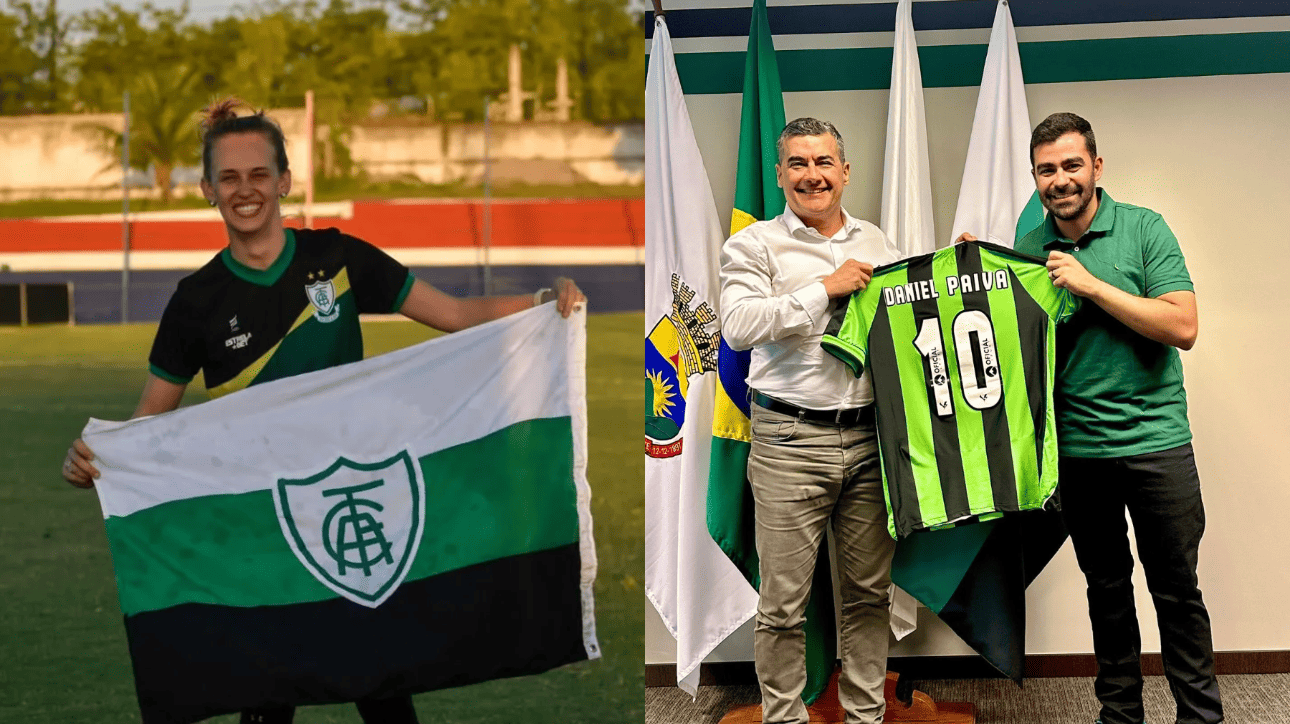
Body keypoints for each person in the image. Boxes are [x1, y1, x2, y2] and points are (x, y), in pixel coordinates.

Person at [60, 99, 585, 724]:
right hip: (264, 523)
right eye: (229, 177)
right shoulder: (195, 301)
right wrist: (100, 458)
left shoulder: (339, 259)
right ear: (207, 189)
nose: (245, 190)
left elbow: (456, 316)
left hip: (352, 499)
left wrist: (543, 300)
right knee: (268, 706)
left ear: (284, 180)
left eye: (259, 174)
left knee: (386, 695)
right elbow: (151, 421)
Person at [959, 111, 1221, 724]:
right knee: (1106, 591)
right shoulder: (1025, 253)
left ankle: (1202, 717)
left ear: (1096, 168)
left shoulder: (1143, 229)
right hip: (1078, 453)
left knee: (1177, 592)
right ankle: (1120, 715)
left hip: (1158, 445)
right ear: (1034, 177)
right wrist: (975, 281)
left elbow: (1182, 326)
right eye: (1047, 170)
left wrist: (1092, 286)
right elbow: (1002, 353)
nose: (1060, 180)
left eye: (1071, 165)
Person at [719, 117, 901, 724]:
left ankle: (866, 715)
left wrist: (959, 268)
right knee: (783, 605)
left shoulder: (877, 242)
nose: (812, 175)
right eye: (798, 164)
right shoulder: (754, 246)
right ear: (780, 176)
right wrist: (825, 287)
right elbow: (738, 327)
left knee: (869, 596)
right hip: (789, 440)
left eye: (823, 162)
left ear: (845, 172)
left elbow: (908, 318)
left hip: (870, 441)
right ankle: (784, 719)